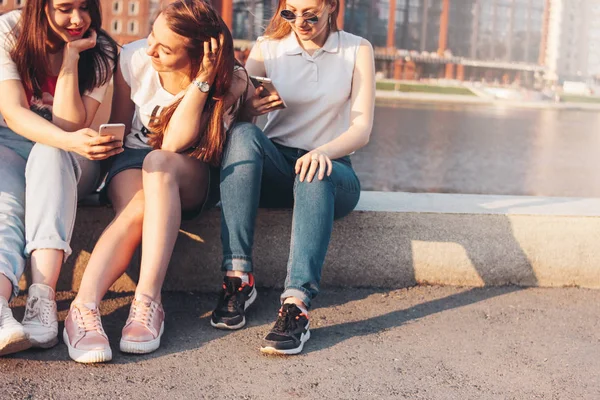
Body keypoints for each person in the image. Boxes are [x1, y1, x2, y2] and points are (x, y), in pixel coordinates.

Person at [63, 0, 248, 363]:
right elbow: (122, 125)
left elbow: (176, 144)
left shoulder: (228, 78)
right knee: (141, 202)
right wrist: (105, 149)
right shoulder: (133, 58)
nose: (150, 50)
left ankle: (147, 301)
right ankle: (82, 310)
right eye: (151, 36)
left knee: (161, 161)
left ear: (198, 54)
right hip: (134, 159)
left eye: (165, 48)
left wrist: (202, 83)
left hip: (190, 168)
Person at [210, 0, 375, 355]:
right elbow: (236, 121)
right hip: (279, 164)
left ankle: (295, 306)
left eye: (310, 13)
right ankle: (238, 278)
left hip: (333, 169)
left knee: (315, 172)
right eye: (290, 13)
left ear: (331, 6)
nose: (300, 22)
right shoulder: (268, 48)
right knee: (241, 135)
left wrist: (323, 152)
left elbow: (361, 129)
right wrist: (251, 108)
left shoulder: (357, 48)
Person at [0, 0, 119, 356]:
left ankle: (41, 300)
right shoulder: (10, 31)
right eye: (66, 8)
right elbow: (14, 113)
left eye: (85, 7)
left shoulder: (102, 49)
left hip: (71, 155)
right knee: (5, 205)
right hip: (10, 143)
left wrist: (71, 60)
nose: (78, 19)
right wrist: (65, 139)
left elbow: (68, 127)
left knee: (51, 153)